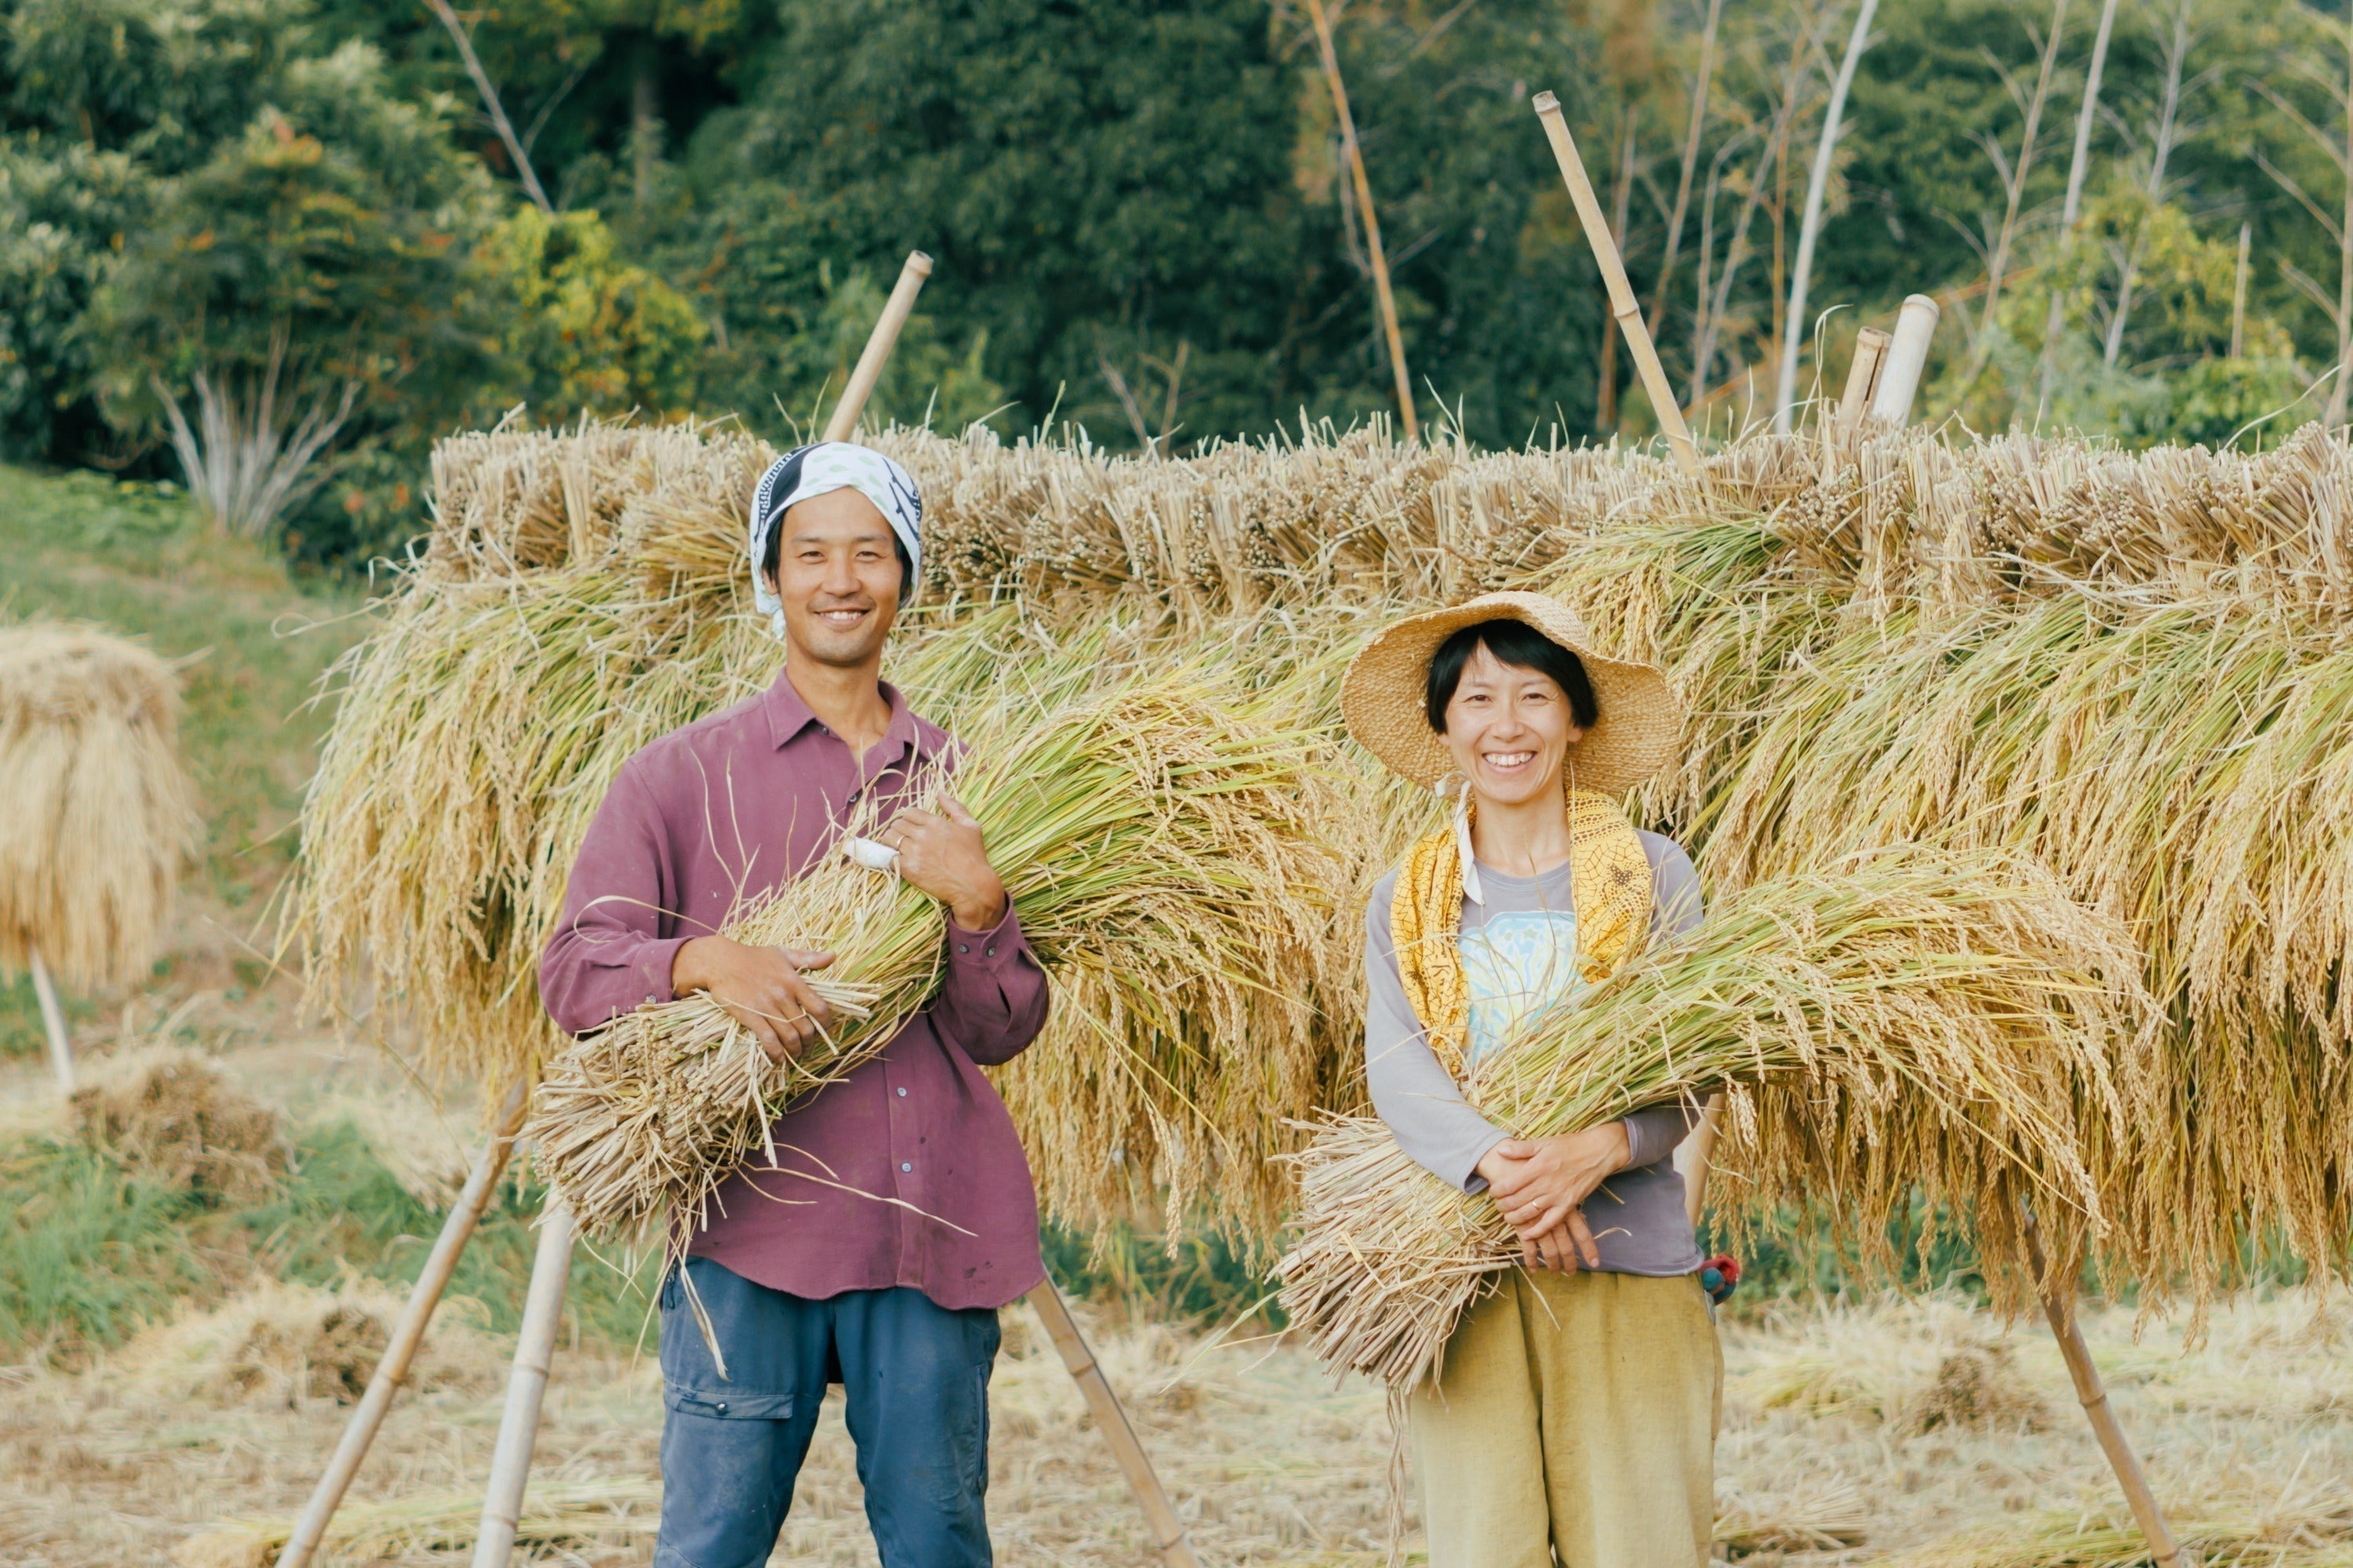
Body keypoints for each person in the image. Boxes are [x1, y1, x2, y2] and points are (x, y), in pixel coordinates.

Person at [538, 442, 1049, 1568]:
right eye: (811, 552)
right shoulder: (679, 776)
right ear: (770, 577)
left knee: (939, 1542)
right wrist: (705, 961)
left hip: (927, 1232)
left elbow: (1003, 1028)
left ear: (905, 577)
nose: (841, 578)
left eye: (871, 552)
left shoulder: (974, 785)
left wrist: (979, 902)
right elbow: (575, 967)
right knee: (712, 1545)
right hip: (745, 1231)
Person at [1338, 591, 1719, 1568]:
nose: (1505, 726)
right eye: (1475, 699)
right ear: (1442, 726)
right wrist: (1510, 1177)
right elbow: (1399, 1066)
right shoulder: (1408, 897)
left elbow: (1700, 1053)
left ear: (1578, 718)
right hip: (1458, 1273)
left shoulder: (1653, 875)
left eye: (1534, 696)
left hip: (1629, 1265)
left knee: (1644, 1546)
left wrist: (1599, 1150)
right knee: (1485, 1548)